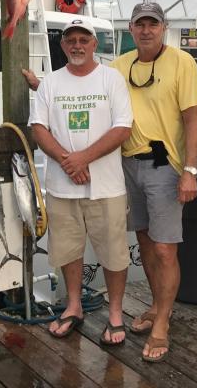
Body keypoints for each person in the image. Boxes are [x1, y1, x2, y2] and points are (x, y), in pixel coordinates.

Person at [29, 17, 133, 346]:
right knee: (68, 250)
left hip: (107, 186)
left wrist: (83, 158)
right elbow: (38, 127)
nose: (77, 45)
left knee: (114, 253)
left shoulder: (111, 79)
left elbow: (123, 127)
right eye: (70, 39)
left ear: (94, 44)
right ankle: (73, 306)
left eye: (83, 39)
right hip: (62, 186)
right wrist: (66, 160)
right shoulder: (50, 83)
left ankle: (115, 313)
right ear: (62, 45)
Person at [111, 2, 197, 363]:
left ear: (164, 27)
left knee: (166, 249)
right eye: (140, 25)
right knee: (146, 242)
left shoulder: (183, 62)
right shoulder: (119, 66)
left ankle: (162, 321)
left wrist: (190, 172)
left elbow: (194, 121)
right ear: (131, 29)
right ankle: (156, 305)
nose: (146, 30)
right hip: (127, 164)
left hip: (166, 167)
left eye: (153, 24)